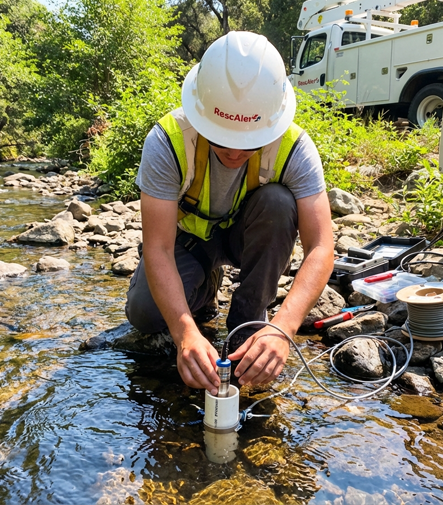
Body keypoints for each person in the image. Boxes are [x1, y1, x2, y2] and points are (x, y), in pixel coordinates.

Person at [125, 31, 334, 396]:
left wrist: (283, 328)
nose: (235, 153)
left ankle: (248, 323)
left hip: (249, 239)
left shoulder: (295, 147)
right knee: (145, 314)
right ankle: (205, 287)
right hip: (189, 243)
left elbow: (321, 247)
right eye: (222, 139)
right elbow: (157, 248)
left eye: (249, 142)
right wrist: (185, 333)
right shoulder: (167, 141)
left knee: (278, 202)